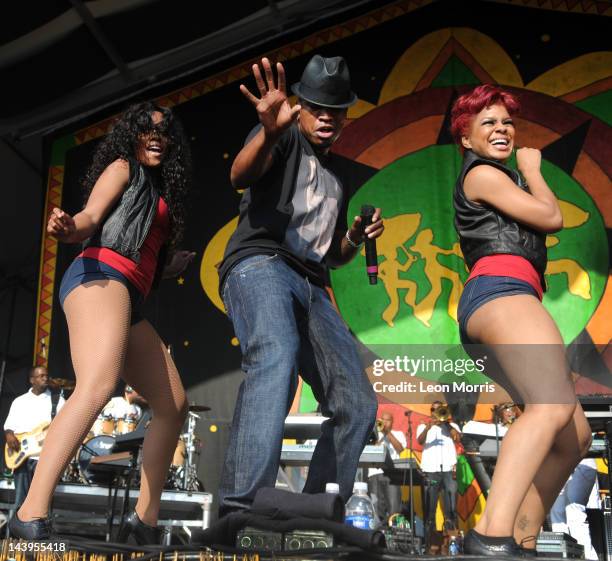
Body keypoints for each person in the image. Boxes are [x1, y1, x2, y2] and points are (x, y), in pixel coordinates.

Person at [9, 101, 195, 543]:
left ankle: (143, 523)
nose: (156, 137)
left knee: (174, 405)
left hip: (128, 293)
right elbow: (91, 219)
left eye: (164, 132)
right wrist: (68, 227)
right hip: (98, 275)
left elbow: (141, 253)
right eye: (147, 130)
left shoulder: (161, 193)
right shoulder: (122, 168)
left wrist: (168, 267)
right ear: (131, 136)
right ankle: (28, 513)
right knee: (96, 386)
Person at [217, 54, 383, 515]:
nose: (326, 117)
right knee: (277, 355)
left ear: (347, 115)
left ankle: (316, 510)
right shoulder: (284, 136)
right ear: (300, 106)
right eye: (317, 107)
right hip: (260, 263)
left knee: (357, 403)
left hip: (311, 281)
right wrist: (269, 131)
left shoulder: (340, 175)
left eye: (336, 110)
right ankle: (240, 505)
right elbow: (239, 175)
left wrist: (354, 236)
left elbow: (332, 254)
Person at [451, 84, 592, 556]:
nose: (502, 129)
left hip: (510, 295)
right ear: (466, 140)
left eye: (507, 122)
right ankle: (490, 534)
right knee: (550, 408)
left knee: (574, 436)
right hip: (501, 292)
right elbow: (551, 217)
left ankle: (521, 537)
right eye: (487, 122)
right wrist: (532, 169)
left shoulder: (499, 178)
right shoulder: (484, 175)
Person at [4, 367, 65, 513]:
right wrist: (9, 435)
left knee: (42, 501)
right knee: (20, 500)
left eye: (46, 375)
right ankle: (16, 534)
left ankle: (39, 534)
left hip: (44, 457)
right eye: (41, 376)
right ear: (32, 380)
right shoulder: (20, 401)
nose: (45, 378)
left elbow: (65, 426)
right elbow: (9, 426)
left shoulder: (57, 401)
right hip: (22, 456)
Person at [417, 401, 461, 535]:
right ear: (430, 412)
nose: (436, 412)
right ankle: (430, 538)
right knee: (430, 504)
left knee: (451, 504)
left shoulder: (451, 426)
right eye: (434, 410)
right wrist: (427, 428)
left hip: (448, 469)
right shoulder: (424, 426)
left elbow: (457, 438)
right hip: (431, 470)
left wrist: (446, 423)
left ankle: (451, 535)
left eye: (439, 410)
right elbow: (420, 441)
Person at [550, 458, 599, 560]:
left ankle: (588, 557)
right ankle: (562, 555)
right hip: (560, 466)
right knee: (556, 512)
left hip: (582, 464)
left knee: (574, 512)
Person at [368, 411, 407, 522]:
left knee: (394, 508)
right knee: (376, 509)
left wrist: (387, 433)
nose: (384, 422)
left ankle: (393, 534)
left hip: (392, 474)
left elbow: (400, 449)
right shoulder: (374, 434)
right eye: (382, 419)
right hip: (374, 474)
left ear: (392, 422)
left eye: (388, 420)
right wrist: (379, 437)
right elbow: (370, 450)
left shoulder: (398, 433)